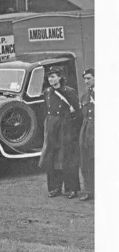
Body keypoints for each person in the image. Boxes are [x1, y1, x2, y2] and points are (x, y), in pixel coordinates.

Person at [39, 66, 81, 198]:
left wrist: (75, 130)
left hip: (66, 126)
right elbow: (46, 110)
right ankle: (55, 187)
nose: (50, 79)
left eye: (53, 76)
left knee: (68, 157)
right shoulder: (47, 92)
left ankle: (71, 188)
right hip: (52, 126)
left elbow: (78, 112)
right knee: (52, 156)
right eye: (49, 76)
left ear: (60, 77)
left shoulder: (69, 91)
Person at [79, 68, 95, 201]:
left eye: (89, 78)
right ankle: (89, 190)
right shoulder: (85, 95)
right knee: (85, 162)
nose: (86, 81)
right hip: (86, 130)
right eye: (85, 79)